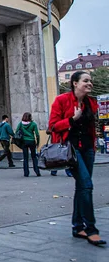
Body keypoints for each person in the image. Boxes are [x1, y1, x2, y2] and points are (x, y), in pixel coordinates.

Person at [49, 71, 105, 246]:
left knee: (82, 187)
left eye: (90, 81)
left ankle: (77, 226)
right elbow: (52, 126)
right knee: (87, 185)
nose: (90, 83)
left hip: (88, 149)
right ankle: (91, 230)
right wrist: (72, 119)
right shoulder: (62, 100)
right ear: (74, 83)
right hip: (71, 151)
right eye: (85, 81)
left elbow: (90, 128)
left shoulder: (91, 103)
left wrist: (94, 147)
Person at [17, 112, 40, 177]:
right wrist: (37, 142)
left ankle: (26, 173)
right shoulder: (33, 124)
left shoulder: (20, 124)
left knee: (25, 158)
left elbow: (16, 132)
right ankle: (37, 171)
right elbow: (37, 135)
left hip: (24, 141)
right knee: (34, 157)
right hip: (32, 141)